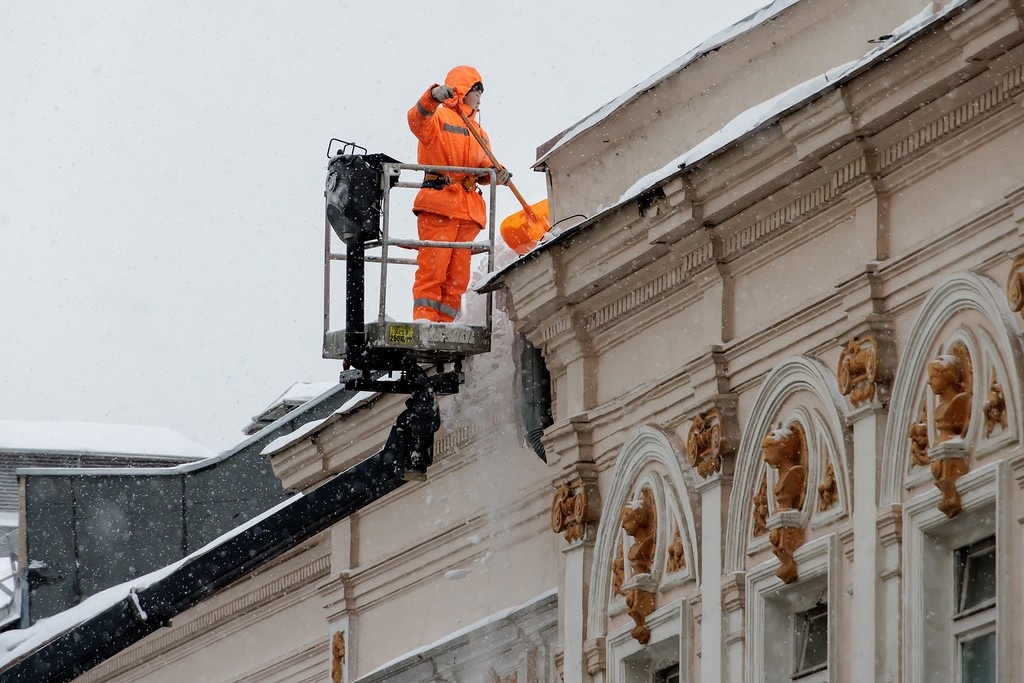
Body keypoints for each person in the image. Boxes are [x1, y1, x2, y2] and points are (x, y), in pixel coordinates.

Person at [407, 65, 510, 323]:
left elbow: (484, 168)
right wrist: (432, 96)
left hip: (467, 211)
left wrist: (498, 174)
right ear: (463, 91)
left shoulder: (480, 132)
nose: (479, 98)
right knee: (434, 267)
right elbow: (416, 119)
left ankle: (446, 322)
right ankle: (425, 318)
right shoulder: (438, 118)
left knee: (457, 276)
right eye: (476, 91)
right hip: (440, 202)